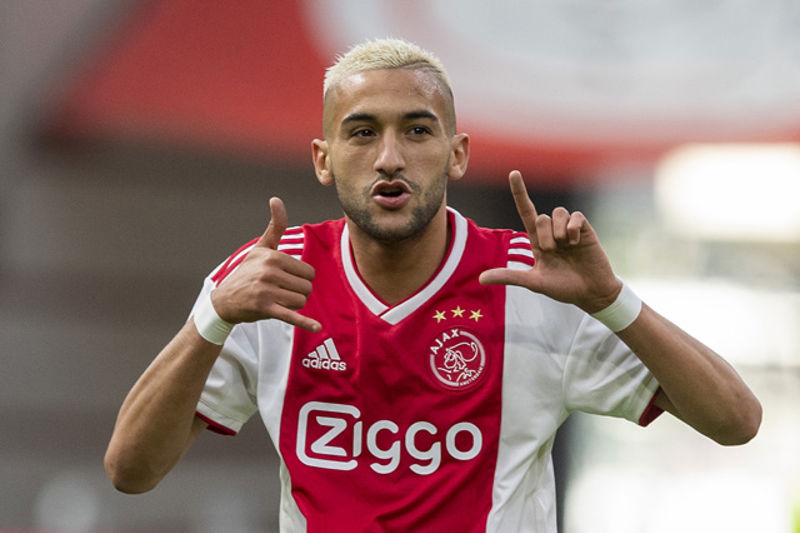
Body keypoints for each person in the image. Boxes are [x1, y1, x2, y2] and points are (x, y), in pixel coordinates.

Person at [104, 38, 761, 532]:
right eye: (363, 132)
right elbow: (130, 471)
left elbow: (737, 421)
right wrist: (213, 318)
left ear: (457, 153)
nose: (390, 158)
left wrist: (610, 300)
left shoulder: (533, 282)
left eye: (417, 130)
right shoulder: (269, 277)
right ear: (324, 159)